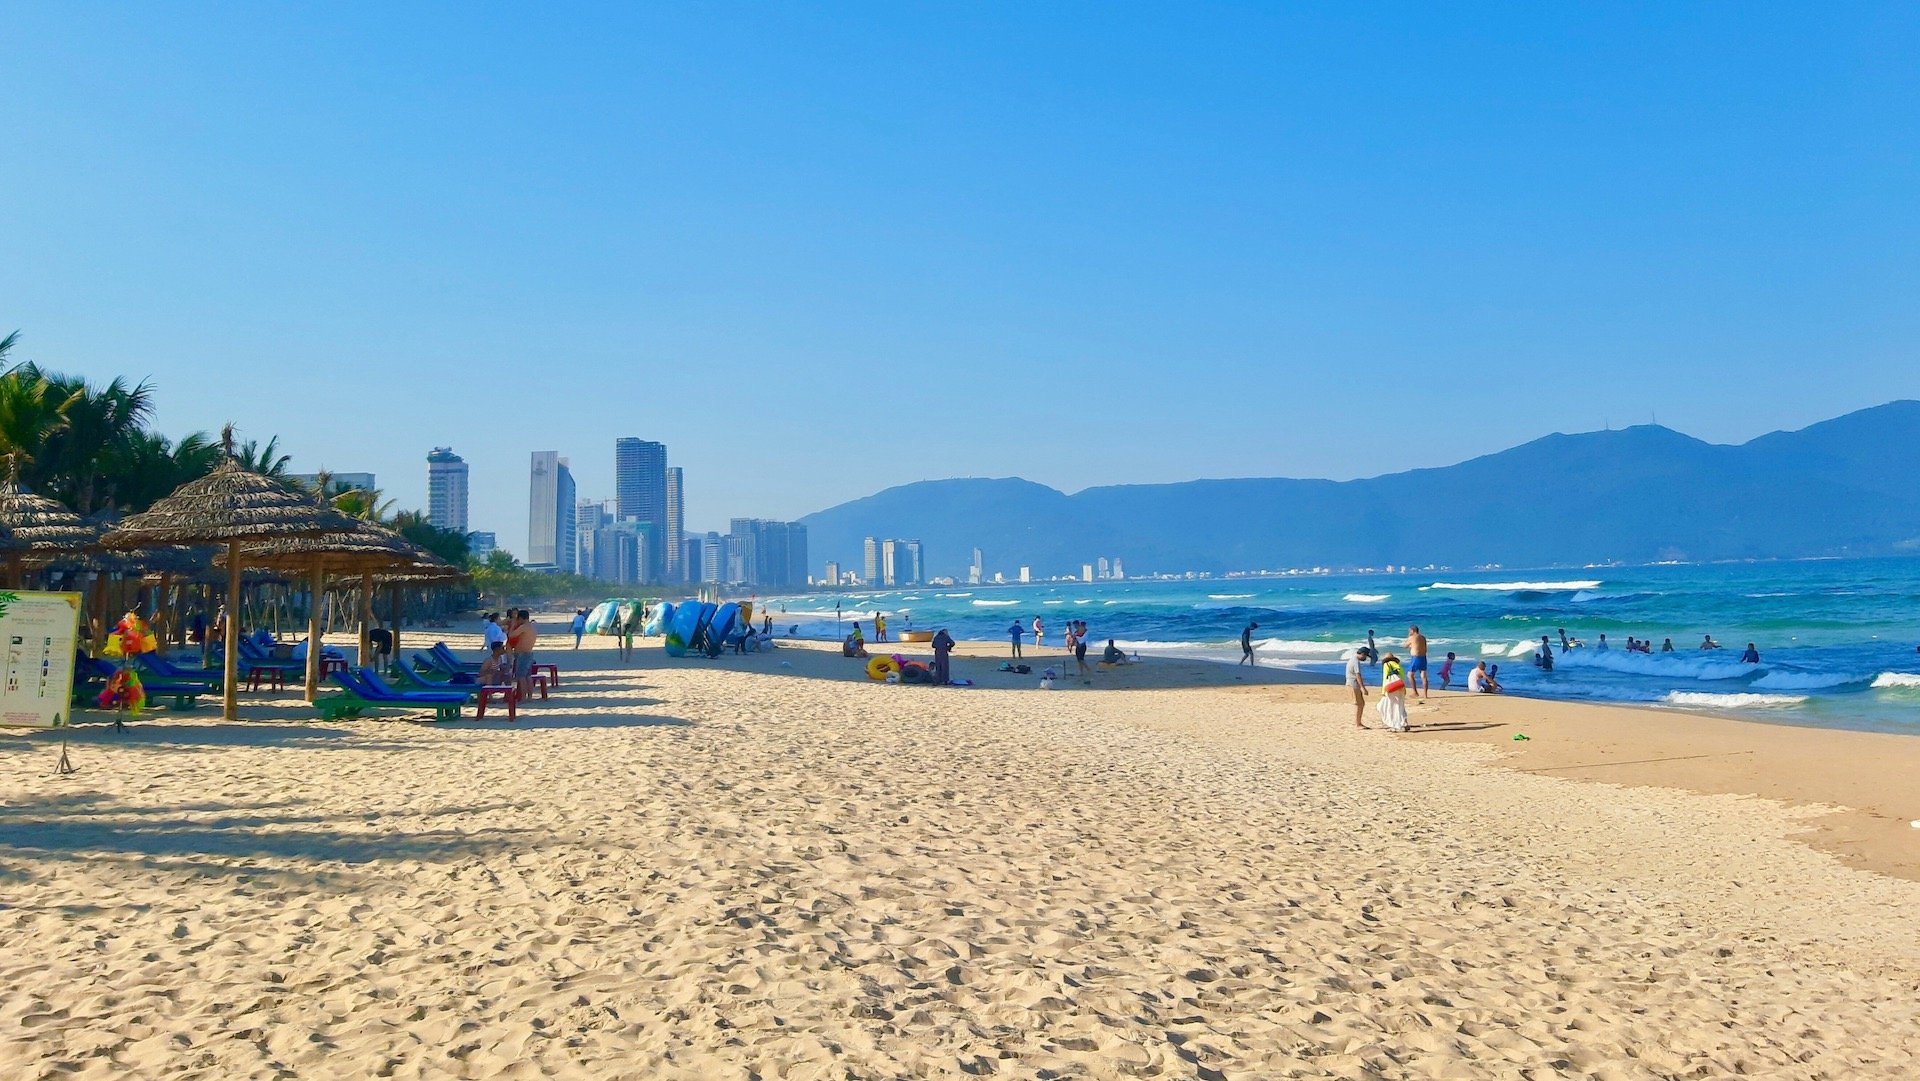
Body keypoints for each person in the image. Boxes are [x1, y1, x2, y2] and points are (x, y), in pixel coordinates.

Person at [507, 610, 538, 700]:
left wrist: (513, 625)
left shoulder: (524, 627)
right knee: (528, 676)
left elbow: (511, 635)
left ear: (521, 618)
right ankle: (530, 696)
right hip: (529, 653)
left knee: (521, 677)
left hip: (522, 654)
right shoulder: (532, 627)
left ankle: (523, 697)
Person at [1377, 652, 1409, 732]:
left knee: (1389, 706)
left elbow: (1385, 678)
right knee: (1400, 706)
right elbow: (1401, 677)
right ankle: (1404, 723)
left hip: (1391, 688)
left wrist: (1384, 691)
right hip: (1400, 687)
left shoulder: (1386, 665)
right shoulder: (1398, 666)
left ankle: (1394, 725)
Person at [1346, 646, 1369, 729]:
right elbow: (1358, 674)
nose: (1365, 658)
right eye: (1365, 656)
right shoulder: (1355, 661)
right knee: (1359, 704)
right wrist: (1363, 687)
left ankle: (1358, 722)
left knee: (1360, 703)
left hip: (1351, 683)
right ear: (1362, 654)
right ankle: (1358, 724)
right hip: (1353, 684)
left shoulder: (1352, 659)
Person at [1406, 625, 1429, 700]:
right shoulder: (1423, 637)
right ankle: (1425, 695)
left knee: (1410, 675)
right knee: (1423, 676)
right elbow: (1424, 648)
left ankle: (1415, 692)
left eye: (1409, 631)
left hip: (1416, 657)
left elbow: (1405, 646)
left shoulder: (1412, 637)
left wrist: (1408, 637)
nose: (1409, 632)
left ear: (1412, 631)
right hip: (1423, 657)